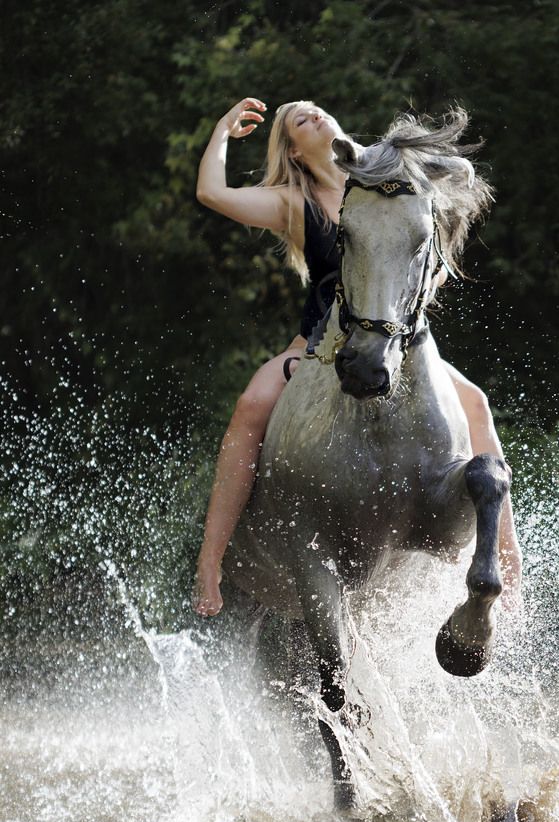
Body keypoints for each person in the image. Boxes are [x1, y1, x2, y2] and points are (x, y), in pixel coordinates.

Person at [193, 97, 522, 616]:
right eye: (299, 120)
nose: (314, 115)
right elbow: (210, 192)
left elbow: (450, 200)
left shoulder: (389, 170)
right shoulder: (292, 202)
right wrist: (221, 133)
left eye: (316, 109)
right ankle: (211, 562)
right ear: (295, 152)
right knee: (251, 405)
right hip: (319, 344)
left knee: (476, 403)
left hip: (399, 339)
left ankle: (508, 566)